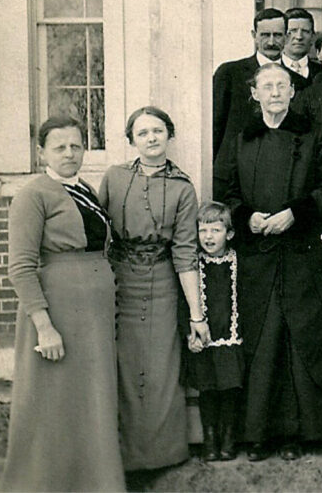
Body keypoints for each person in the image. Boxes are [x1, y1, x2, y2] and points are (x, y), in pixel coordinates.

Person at [213, 62, 322, 462]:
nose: (274, 93)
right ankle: (257, 436)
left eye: (281, 86)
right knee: (262, 342)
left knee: (296, 340)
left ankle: (294, 435)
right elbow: (224, 189)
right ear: (255, 94)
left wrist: (295, 213)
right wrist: (245, 216)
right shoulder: (240, 139)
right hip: (257, 258)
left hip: (303, 258)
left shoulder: (315, 135)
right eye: (266, 86)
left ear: (292, 93)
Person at [1, 117, 124, 491]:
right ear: (42, 154)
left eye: (75, 145)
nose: (69, 153)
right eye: (59, 147)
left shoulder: (84, 189)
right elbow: (20, 268)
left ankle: (94, 482)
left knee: (91, 398)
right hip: (57, 312)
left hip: (93, 316)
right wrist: (44, 326)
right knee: (53, 402)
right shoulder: (33, 195)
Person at [100, 106, 209, 478]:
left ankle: (162, 455)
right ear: (132, 140)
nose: (151, 138)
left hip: (163, 282)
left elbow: (185, 251)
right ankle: (123, 455)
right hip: (119, 281)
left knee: (162, 368)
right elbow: (101, 235)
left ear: (169, 135)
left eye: (158, 131)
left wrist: (196, 314)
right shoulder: (114, 178)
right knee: (123, 365)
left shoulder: (182, 187)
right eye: (143, 133)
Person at [181, 201, 246, 463]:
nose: (208, 237)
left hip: (231, 340)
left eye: (216, 230)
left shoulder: (238, 262)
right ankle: (209, 440)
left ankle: (228, 438)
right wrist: (189, 335)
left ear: (229, 234)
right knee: (208, 392)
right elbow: (182, 304)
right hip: (204, 342)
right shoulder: (193, 266)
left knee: (230, 391)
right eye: (203, 230)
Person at [212, 7, 296, 161]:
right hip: (234, 165)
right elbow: (215, 125)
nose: (271, 42)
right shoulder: (229, 73)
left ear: (287, 37)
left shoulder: (296, 80)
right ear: (254, 35)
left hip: (279, 164)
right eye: (265, 35)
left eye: (277, 35)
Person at [281, 7, 322, 91]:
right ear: (282, 35)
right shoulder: (271, 70)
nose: (299, 37)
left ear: (313, 36)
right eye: (293, 31)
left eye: (305, 31)